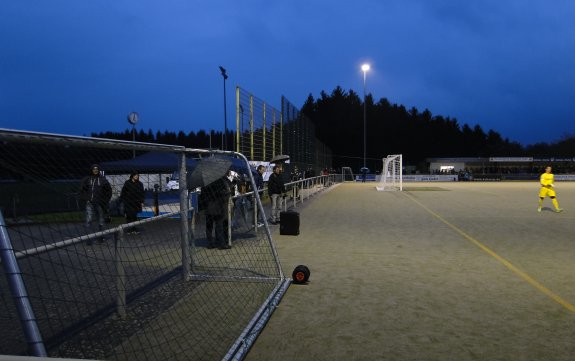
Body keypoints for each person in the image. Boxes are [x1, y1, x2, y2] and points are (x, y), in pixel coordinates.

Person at [79, 164, 112, 244]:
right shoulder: (87, 179)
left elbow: (109, 190)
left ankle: (100, 237)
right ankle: (88, 239)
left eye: (97, 169)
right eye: (94, 169)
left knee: (100, 220)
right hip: (89, 203)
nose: (95, 170)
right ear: (91, 170)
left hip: (99, 203)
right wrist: (86, 198)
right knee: (88, 220)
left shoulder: (102, 180)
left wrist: (105, 200)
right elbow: (82, 189)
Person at [202, 175, 233, 249]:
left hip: (208, 207)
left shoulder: (205, 182)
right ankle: (221, 243)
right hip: (217, 206)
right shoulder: (219, 181)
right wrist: (227, 192)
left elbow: (202, 195)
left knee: (209, 226)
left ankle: (210, 243)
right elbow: (222, 193)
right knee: (219, 225)